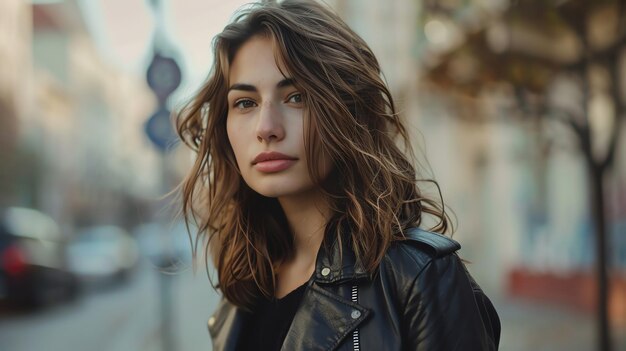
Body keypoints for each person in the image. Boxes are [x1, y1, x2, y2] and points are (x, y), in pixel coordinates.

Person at [176, 0, 500, 350]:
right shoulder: (243, 290)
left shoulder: (420, 279)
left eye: (296, 97)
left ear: (346, 111)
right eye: (245, 103)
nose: (266, 128)